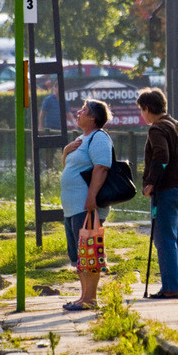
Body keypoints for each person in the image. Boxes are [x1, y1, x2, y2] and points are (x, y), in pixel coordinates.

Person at [137, 87, 178, 299]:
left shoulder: (157, 129)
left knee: (164, 239)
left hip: (170, 189)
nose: (142, 115)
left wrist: (151, 183)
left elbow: (162, 157)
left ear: (147, 108)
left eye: (141, 110)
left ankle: (170, 289)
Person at [60, 98, 113, 311]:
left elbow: (101, 168)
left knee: (89, 252)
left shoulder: (99, 138)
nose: (78, 112)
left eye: (84, 110)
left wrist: (91, 198)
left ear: (93, 117)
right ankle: (83, 297)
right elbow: (69, 167)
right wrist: (66, 151)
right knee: (80, 255)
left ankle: (91, 299)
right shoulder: (81, 139)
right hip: (73, 207)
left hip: (86, 206)